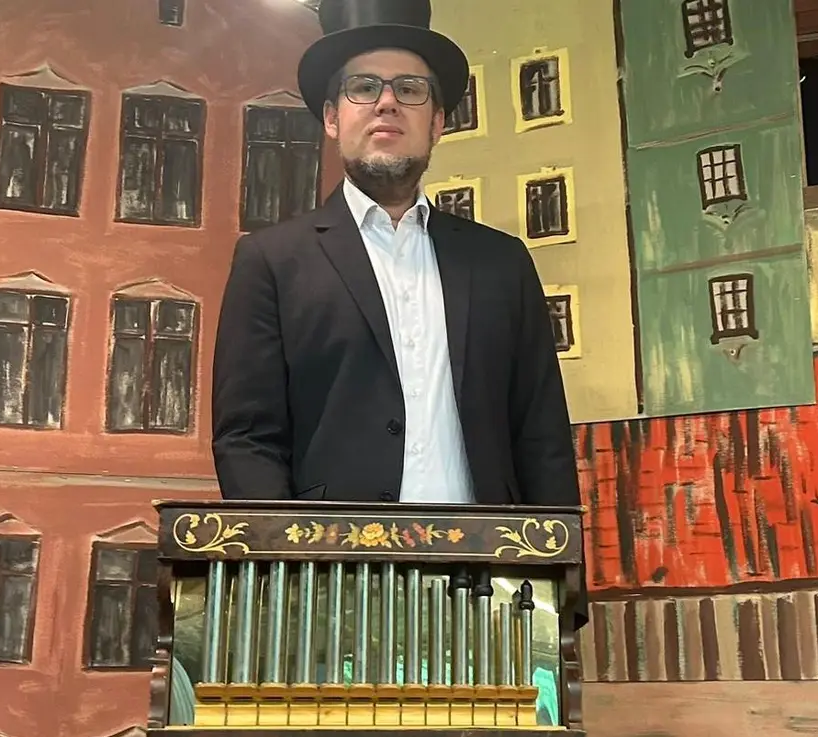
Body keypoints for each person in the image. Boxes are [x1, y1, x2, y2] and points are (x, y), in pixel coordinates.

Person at [210, 0, 579, 513]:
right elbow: (247, 438)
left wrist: (556, 558)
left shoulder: (502, 263)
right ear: (333, 118)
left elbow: (542, 436)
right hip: (333, 556)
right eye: (364, 87)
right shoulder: (271, 262)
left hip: (484, 556)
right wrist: (291, 552)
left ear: (438, 123)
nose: (387, 102)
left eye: (409, 89)